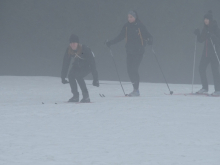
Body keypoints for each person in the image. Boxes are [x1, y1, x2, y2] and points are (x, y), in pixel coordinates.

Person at [105, 10, 153, 97]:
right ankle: (135, 89)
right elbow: (120, 36)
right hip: (130, 52)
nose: (129, 19)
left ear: (135, 17)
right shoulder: (126, 26)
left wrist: (150, 40)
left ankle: (136, 90)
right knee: (129, 70)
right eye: (128, 17)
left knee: (134, 69)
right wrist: (110, 42)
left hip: (139, 52)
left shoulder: (140, 25)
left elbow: (148, 35)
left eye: (131, 17)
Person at [61, 34, 99, 103]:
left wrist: (95, 79)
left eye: (74, 43)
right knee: (71, 76)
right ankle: (75, 96)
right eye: (71, 43)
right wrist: (63, 77)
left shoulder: (85, 49)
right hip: (77, 64)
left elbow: (93, 64)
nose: (72, 45)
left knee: (79, 76)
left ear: (78, 43)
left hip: (88, 65)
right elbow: (65, 63)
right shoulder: (69, 50)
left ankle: (86, 97)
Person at [194, 11, 220, 96]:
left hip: (214, 52)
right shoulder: (205, 28)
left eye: (207, 19)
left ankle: (218, 90)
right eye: (204, 19)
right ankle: (205, 88)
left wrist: (212, 36)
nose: (205, 20)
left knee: (215, 71)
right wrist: (197, 34)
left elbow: (217, 39)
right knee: (201, 68)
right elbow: (201, 40)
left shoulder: (215, 27)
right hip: (206, 53)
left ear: (210, 20)